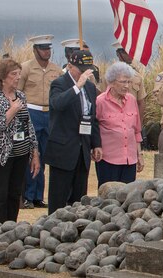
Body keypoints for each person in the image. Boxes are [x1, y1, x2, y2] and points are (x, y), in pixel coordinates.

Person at [0, 58, 40, 223]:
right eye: (14, 74)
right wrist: (12, 110)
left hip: (21, 153)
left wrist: (35, 152)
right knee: (0, 195)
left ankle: (10, 229)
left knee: (15, 194)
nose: (17, 77)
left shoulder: (20, 95)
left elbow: (28, 125)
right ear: (2, 77)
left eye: (19, 74)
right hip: (1, 154)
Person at [45, 50, 102, 214]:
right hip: (63, 150)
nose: (84, 72)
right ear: (70, 66)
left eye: (87, 69)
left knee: (78, 199)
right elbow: (57, 104)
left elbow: (92, 118)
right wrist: (77, 87)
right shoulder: (59, 84)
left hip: (82, 150)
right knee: (58, 198)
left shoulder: (90, 88)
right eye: (80, 69)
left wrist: (96, 144)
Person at [17, 35, 62, 209]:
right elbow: (18, 92)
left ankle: (38, 196)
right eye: (43, 49)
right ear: (35, 50)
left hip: (49, 113)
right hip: (31, 111)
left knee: (44, 155)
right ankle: (28, 195)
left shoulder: (56, 70)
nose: (46, 52)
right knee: (32, 155)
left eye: (48, 48)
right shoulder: (26, 68)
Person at [95, 62, 144, 186]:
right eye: (123, 82)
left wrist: (140, 155)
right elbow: (94, 128)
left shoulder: (132, 100)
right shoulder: (100, 101)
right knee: (108, 198)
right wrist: (95, 147)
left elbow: (136, 130)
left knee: (127, 196)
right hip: (108, 159)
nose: (127, 86)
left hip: (129, 159)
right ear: (111, 82)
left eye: (129, 82)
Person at [112, 43, 147, 129]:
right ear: (118, 54)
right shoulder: (110, 76)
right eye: (127, 52)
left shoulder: (137, 76)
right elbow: (100, 100)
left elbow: (141, 103)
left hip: (132, 124)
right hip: (113, 124)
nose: (131, 55)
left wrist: (139, 125)